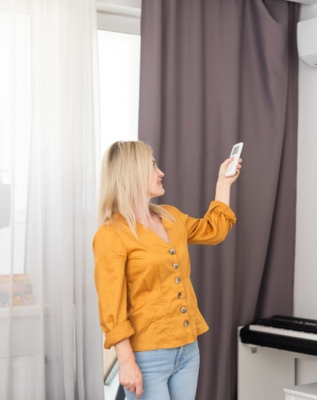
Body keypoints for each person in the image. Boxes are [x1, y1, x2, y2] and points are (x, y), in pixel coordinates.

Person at [93, 141, 241, 400]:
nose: (161, 172)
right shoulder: (111, 234)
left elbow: (214, 230)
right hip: (147, 356)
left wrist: (223, 184)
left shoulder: (171, 217)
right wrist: (126, 362)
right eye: (152, 166)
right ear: (132, 172)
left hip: (187, 350)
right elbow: (111, 307)